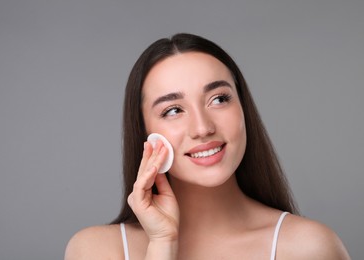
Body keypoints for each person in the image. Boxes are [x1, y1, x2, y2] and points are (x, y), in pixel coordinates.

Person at [65, 33, 350, 259]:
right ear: (145, 132)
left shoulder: (309, 248)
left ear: (243, 109)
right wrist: (163, 245)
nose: (203, 128)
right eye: (173, 110)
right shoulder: (96, 250)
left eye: (219, 99)